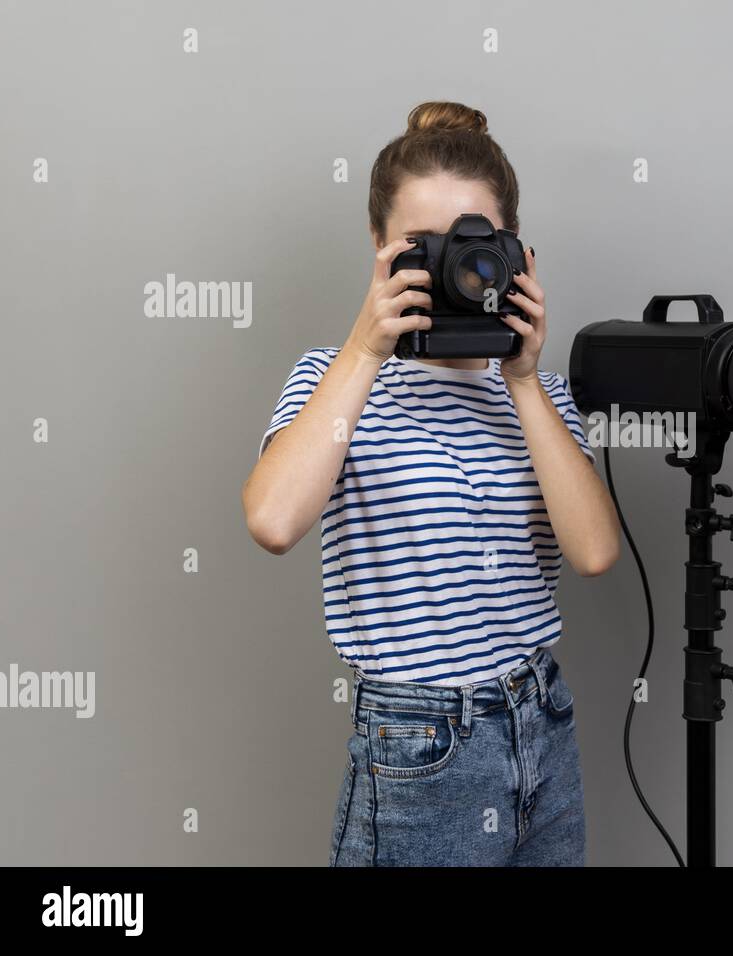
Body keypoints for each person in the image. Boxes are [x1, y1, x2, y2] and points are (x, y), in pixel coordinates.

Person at [241, 100, 620, 866]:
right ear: (379, 250)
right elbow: (274, 521)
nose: (457, 268)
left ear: (516, 253)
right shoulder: (332, 379)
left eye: (474, 245)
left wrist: (520, 379)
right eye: (426, 247)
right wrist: (364, 347)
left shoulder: (540, 397)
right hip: (421, 746)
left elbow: (594, 552)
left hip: (540, 720)